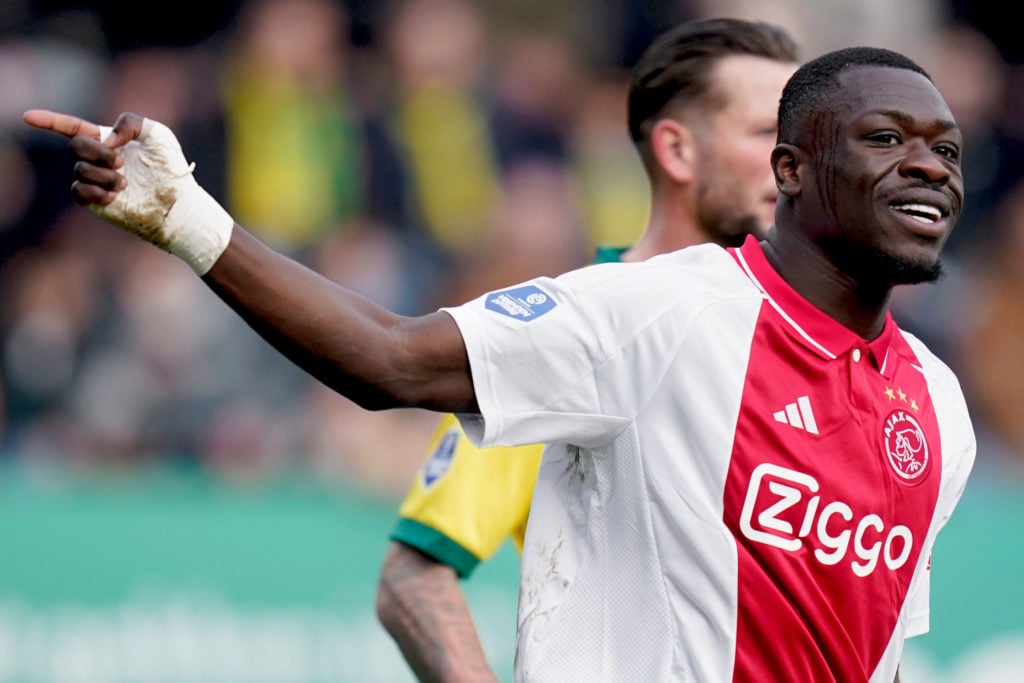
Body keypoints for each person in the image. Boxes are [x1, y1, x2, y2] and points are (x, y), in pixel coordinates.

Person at [23, 42, 975, 682]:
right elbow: (391, 363)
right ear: (791, 168)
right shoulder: (654, 314)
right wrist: (189, 218)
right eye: (887, 139)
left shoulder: (938, 408)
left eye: (948, 149)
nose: (930, 165)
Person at [373, 17, 800, 683]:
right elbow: (415, 573)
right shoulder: (571, 338)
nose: (792, 161)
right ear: (678, 151)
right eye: (765, 134)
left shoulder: (801, 337)